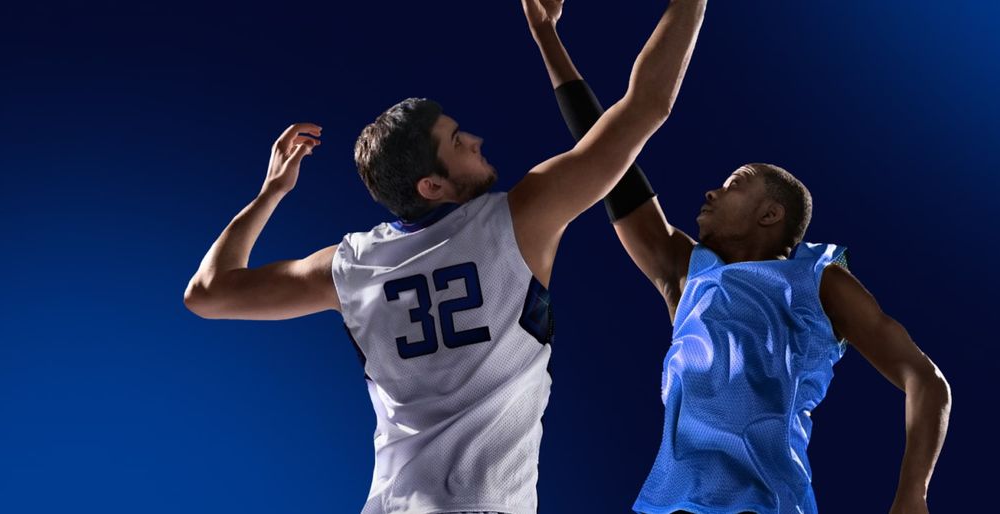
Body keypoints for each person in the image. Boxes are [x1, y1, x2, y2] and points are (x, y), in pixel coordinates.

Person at [183, 2, 707, 513]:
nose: (476, 139)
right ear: (432, 185)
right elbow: (647, 105)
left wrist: (271, 192)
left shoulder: (349, 267)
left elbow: (207, 294)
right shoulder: (519, 219)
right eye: (458, 141)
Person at [523, 1, 951, 513]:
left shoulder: (816, 280)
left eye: (734, 185)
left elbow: (924, 379)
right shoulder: (684, 272)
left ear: (771, 215)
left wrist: (912, 493)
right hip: (667, 505)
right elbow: (605, 154)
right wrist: (547, 37)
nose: (711, 192)